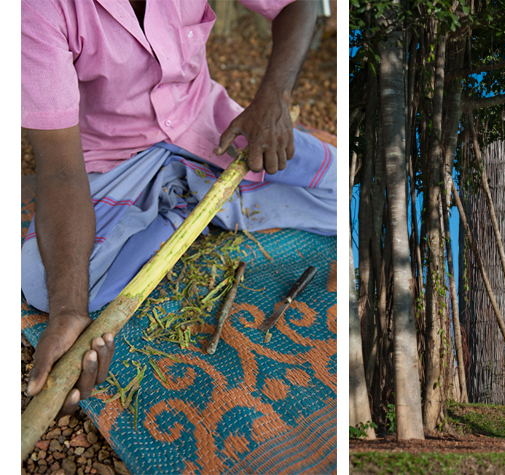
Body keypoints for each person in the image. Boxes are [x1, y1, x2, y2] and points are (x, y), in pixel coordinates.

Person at [21, 0, 335, 416]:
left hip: (210, 130)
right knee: (46, 284)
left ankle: (190, 203)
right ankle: (186, 210)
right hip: (115, 161)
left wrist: (274, 98)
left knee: (337, 189)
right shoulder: (33, 11)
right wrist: (68, 310)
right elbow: (60, 172)